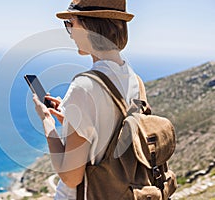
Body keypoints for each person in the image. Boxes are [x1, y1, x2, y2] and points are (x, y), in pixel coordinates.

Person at [33, 0, 140, 199]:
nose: (70, 33)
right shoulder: (135, 81)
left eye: (71, 23)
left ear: (90, 26)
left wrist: (47, 122)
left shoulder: (84, 87)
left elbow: (70, 177)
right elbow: (111, 134)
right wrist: (71, 121)